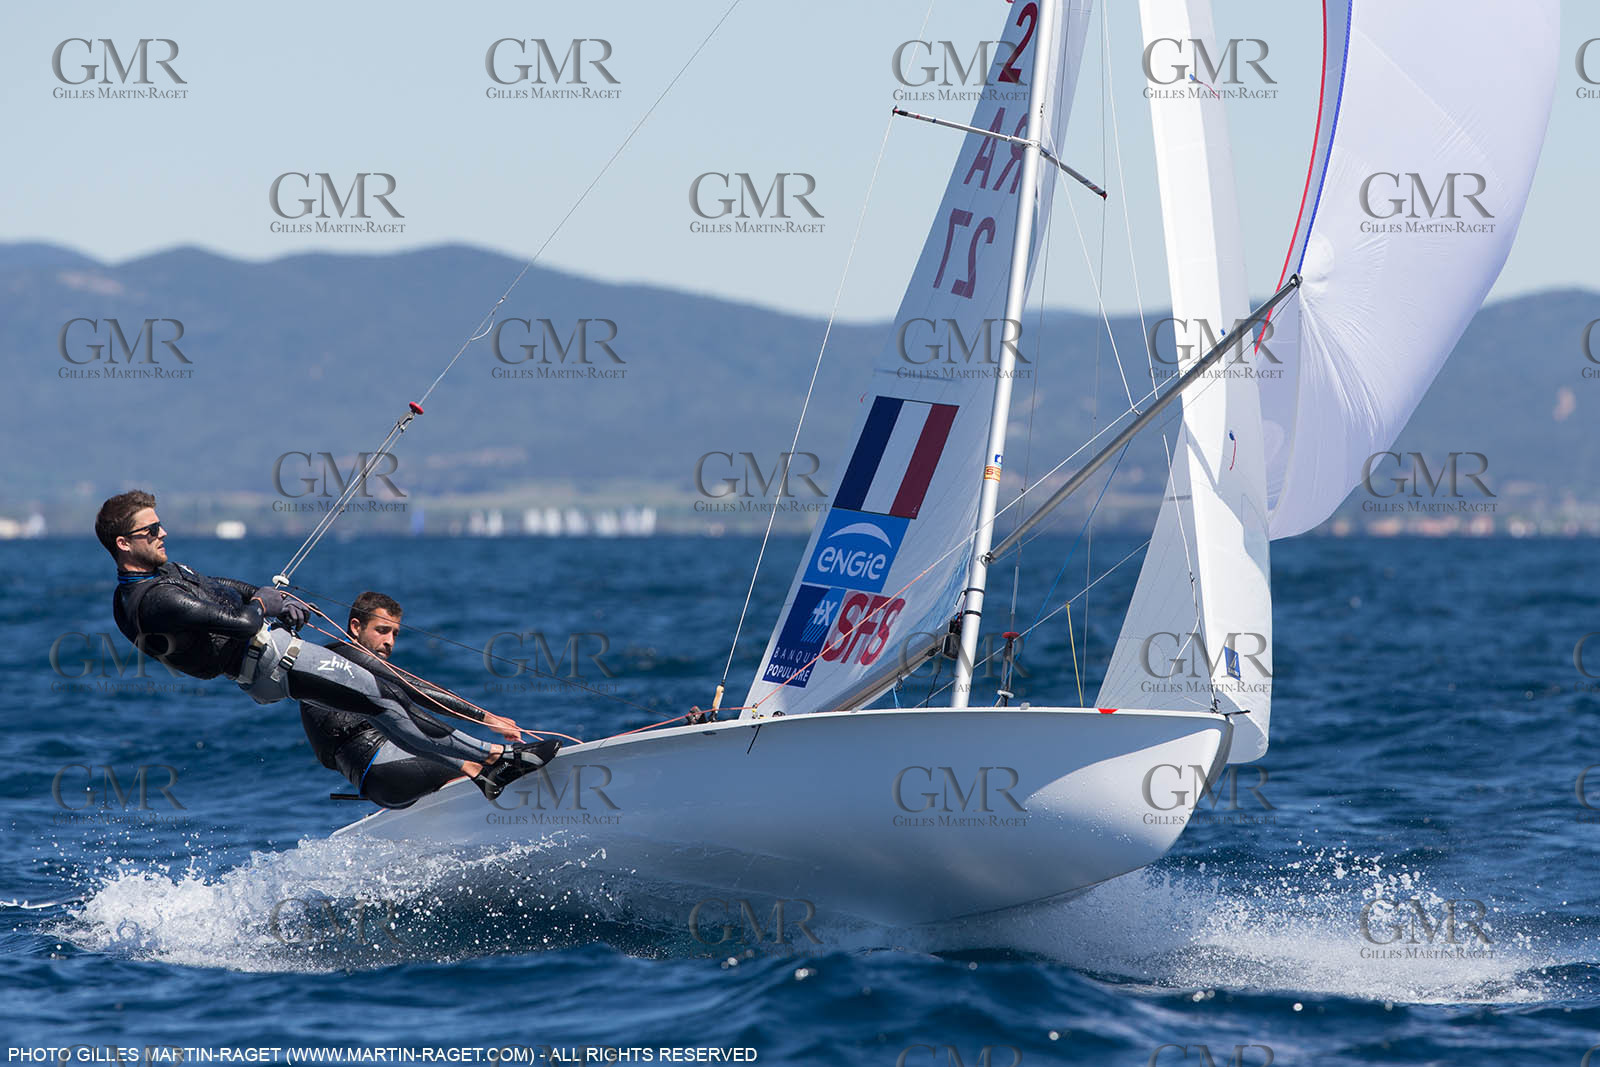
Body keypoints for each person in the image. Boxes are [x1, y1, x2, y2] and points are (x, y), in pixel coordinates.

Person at [96, 489, 557, 799]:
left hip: (268, 658)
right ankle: (498, 759)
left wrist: (264, 594)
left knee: (384, 697)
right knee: (382, 699)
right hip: (272, 661)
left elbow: (224, 587)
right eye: (150, 531)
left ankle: (489, 761)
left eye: (160, 526)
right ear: (122, 543)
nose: (162, 535)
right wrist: (264, 604)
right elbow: (238, 621)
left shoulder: (164, 573)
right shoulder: (152, 601)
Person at [302, 592, 537, 806]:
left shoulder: (341, 669)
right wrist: (487, 718)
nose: (390, 641)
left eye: (395, 633)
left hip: (380, 785)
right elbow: (419, 690)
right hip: (389, 768)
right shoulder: (343, 656)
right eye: (382, 630)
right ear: (356, 627)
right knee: (492, 763)